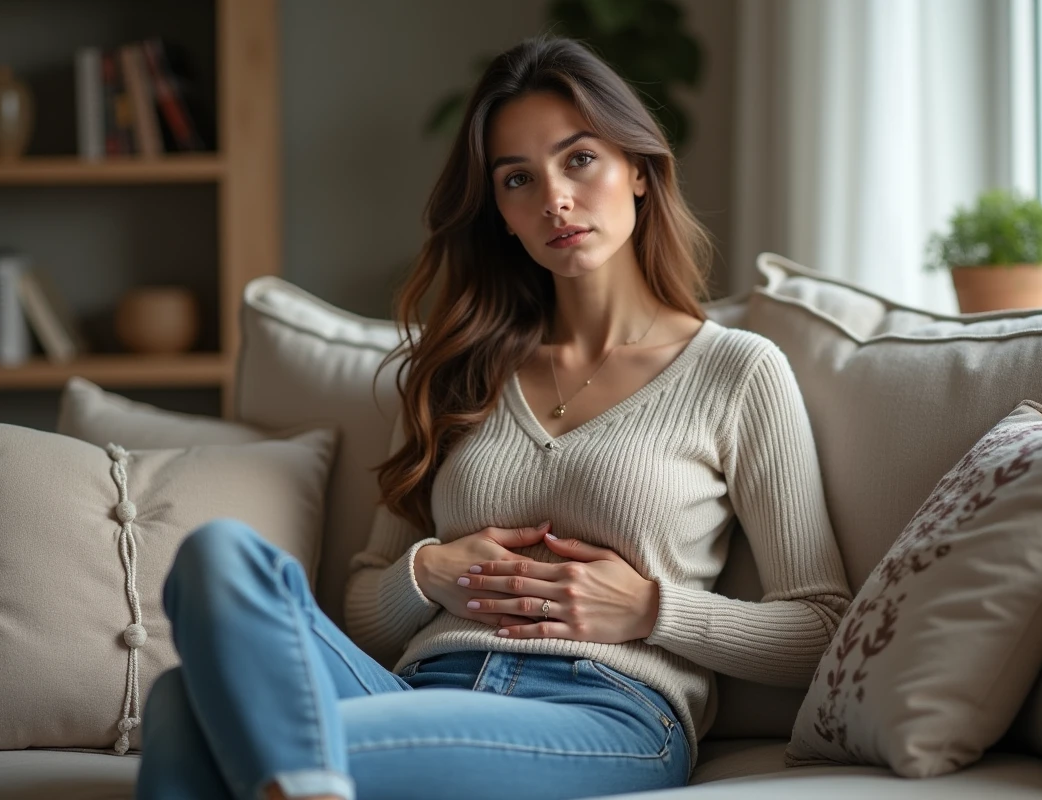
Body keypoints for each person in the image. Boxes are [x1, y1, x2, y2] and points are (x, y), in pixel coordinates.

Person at [136, 35, 852, 800]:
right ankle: (304, 780)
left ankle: (300, 773)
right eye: (518, 179)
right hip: (419, 688)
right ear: (501, 215)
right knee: (216, 561)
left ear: (638, 169)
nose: (555, 199)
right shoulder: (454, 371)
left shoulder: (738, 371)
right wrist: (427, 572)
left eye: (579, 159)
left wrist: (650, 608)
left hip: (606, 710)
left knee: (202, 724)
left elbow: (821, 628)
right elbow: (368, 609)